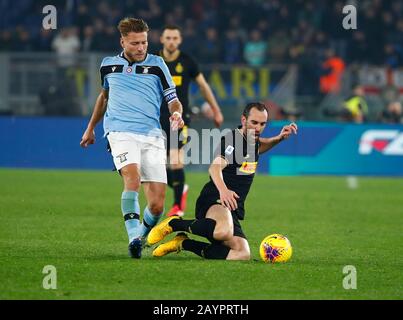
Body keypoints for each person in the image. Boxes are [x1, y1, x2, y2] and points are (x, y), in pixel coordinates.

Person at [80, 18, 184, 259]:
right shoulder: (108, 66)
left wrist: (176, 113)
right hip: (119, 131)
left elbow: (172, 99)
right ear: (123, 41)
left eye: (144, 42)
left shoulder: (158, 65)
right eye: (135, 43)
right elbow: (104, 97)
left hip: (152, 134)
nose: (141, 48)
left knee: (157, 205)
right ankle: (133, 239)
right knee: (133, 179)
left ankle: (141, 234)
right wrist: (90, 128)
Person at [147, 102, 298, 260]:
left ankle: (183, 243)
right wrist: (224, 191)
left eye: (262, 124)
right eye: (254, 122)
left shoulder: (252, 139)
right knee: (223, 231)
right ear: (244, 119)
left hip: (231, 206)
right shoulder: (233, 140)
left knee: (242, 253)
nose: (258, 128)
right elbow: (214, 168)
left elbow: (258, 148)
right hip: (215, 198)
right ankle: (174, 224)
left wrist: (279, 138)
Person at [158, 25, 224, 217]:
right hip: (154, 118)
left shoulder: (187, 62)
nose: (171, 41)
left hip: (178, 118)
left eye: (175, 38)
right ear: (162, 39)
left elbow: (203, 86)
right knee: (153, 166)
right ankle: (181, 187)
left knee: (176, 160)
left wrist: (216, 110)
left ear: (180, 40)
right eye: (168, 37)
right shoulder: (153, 61)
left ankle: (178, 206)